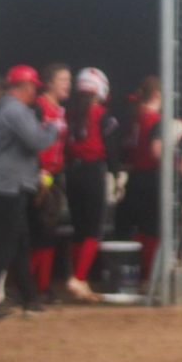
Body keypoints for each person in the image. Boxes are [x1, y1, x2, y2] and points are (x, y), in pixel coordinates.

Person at [0, 65, 59, 319]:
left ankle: (31, 299)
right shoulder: (14, 110)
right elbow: (37, 141)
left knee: (19, 242)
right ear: (24, 87)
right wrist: (53, 127)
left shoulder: (2, 109)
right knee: (2, 246)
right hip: (6, 187)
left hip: (4, 184)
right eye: (32, 88)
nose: (34, 93)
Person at [63, 67, 120, 302]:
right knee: (94, 229)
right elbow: (112, 150)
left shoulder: (69, 113)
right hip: (93, 171)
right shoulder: (103, 115)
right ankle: (78, 277)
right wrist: (117, 175)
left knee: (79, 228)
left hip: (72, 172)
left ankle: (79, 280)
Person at [28, 62, 71, 296]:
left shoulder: (60, 109)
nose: (68, 85)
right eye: (63, 80)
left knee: (50, 231)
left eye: (69, 80)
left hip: (55, 174)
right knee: (41, 230)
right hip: (41, 174)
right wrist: (39, 172)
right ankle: (33, 286)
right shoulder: (40, 107)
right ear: (49, 83)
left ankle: (41, 285)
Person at [116, 76, 162, 281]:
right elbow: (156, 153)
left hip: (133, 176)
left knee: (135, 228)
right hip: (150, 176)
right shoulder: (154, 119)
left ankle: (133, 272)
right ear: (157, 95)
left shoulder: (134, 117)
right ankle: (148, 275)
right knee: (151, 228)